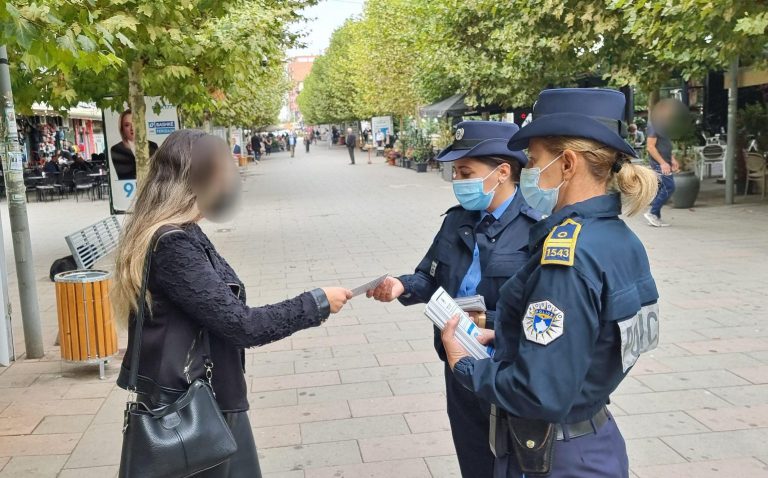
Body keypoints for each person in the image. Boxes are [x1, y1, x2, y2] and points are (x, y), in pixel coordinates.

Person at [440, 88, 660, 478]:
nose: (529, 172)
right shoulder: (621, 239)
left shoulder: (567, 256)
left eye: (535, 160)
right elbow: (595, 340)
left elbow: (537, 392)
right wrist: (506, 335)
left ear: (568, 163)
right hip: (595, 438)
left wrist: (465, 365)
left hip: (557, 458)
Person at [113, 130, 353, 478]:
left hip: (205, 400)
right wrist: (316, 303)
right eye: (225, 173)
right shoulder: (172, 244)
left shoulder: (182, 230)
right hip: (189, 411)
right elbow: (242, 325)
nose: (231, 183)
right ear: (202, 180)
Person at [368, 121, 539, 478]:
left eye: (466, 172)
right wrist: (401, 285)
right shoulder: (457, 221)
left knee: (516, 465)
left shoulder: (537, 226)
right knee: (474, 459)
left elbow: (546, 309)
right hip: (459, 364)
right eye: (456, 172)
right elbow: (430, 277)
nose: (458, 181)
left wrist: (490, 324)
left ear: (503, 172)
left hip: (509, 368)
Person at [645, 99, 680, 227]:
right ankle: (652, 213)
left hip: (664, 161)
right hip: (659, 162)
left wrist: (672, 159)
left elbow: (665, 145)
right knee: (669, 187)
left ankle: (655, 216)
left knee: (662, 187)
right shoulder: (654, 125)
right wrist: (663, 163)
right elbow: (650, 147)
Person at [110, 109, 159, 180]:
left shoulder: (153, 146)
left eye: (135, 124)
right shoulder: (117, 149)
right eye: (127, 125)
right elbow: (124, 175)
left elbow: (157, 171)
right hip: (129, 188)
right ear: (122, 129)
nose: (132, 128)